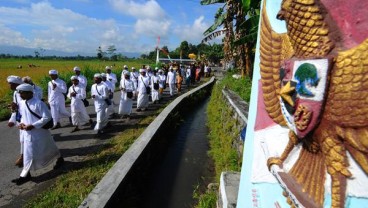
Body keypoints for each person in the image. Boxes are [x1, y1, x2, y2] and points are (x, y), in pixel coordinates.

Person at [12, 83, 63, 185]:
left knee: (49, 146)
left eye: (22, 93)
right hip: (27, 133)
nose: (20, 95)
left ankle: (59, 158)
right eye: (19, 93)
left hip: (40, 132)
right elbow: (22, 115)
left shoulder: (39, 103)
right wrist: (22, 123)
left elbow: (47, 117)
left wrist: (33, 125)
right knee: (28, 153)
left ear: (29, 93)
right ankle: (25, 175)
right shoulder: (22, 103)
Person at [7, 75, 24, 167]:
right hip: (20, 119)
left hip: (27, 119)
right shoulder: (15, 93)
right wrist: (12, 120)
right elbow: (15, 109)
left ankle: (23, 156)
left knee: (24, 139)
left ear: (17, 84)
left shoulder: (25, 93)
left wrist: (16, 106)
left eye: (11, 84)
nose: (10, 86)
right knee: (23, 139)